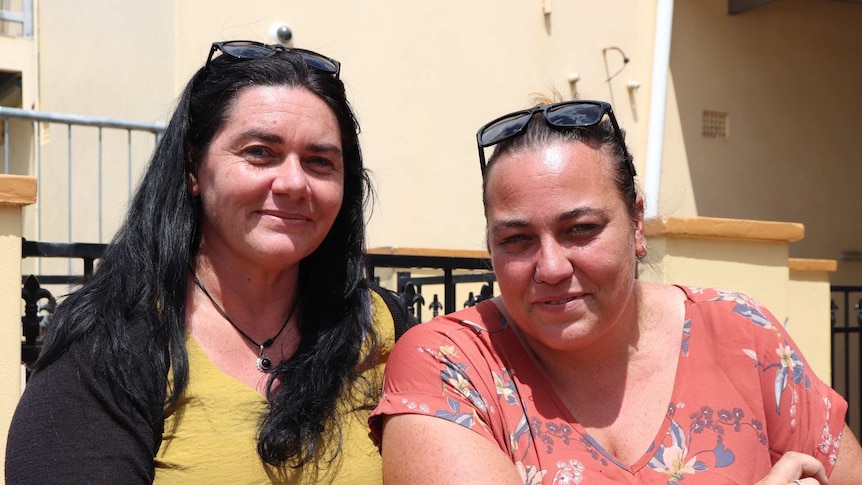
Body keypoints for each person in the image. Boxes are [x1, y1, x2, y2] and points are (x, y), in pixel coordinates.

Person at [369, 99, 862, 484]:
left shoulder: (742, 335)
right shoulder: (451, 367)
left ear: (637, 223)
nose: (552, 267)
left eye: (581, 229)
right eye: (516, 239)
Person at [6, 40, 406, 484]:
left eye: (319, 161)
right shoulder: (110, 348)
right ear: (193, 168)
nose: (294, 182)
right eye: (259, 152)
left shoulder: (384, 329)